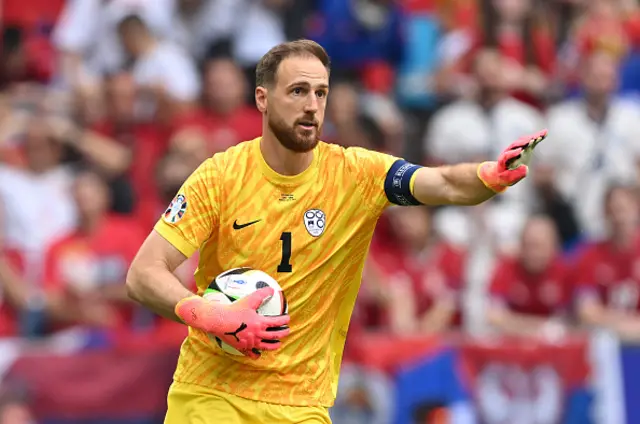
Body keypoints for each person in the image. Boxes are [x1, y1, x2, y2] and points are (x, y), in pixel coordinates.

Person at [126, 39, 546, 424]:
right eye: (298, 91)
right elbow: (143, 274)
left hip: (302, 405)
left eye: (320, 93)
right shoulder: (220, 176)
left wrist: (487, 175)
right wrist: (211, 314)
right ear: (263, 99)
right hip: (211, 395)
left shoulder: (356, 174)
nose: (312, 105)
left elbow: (443, 183)